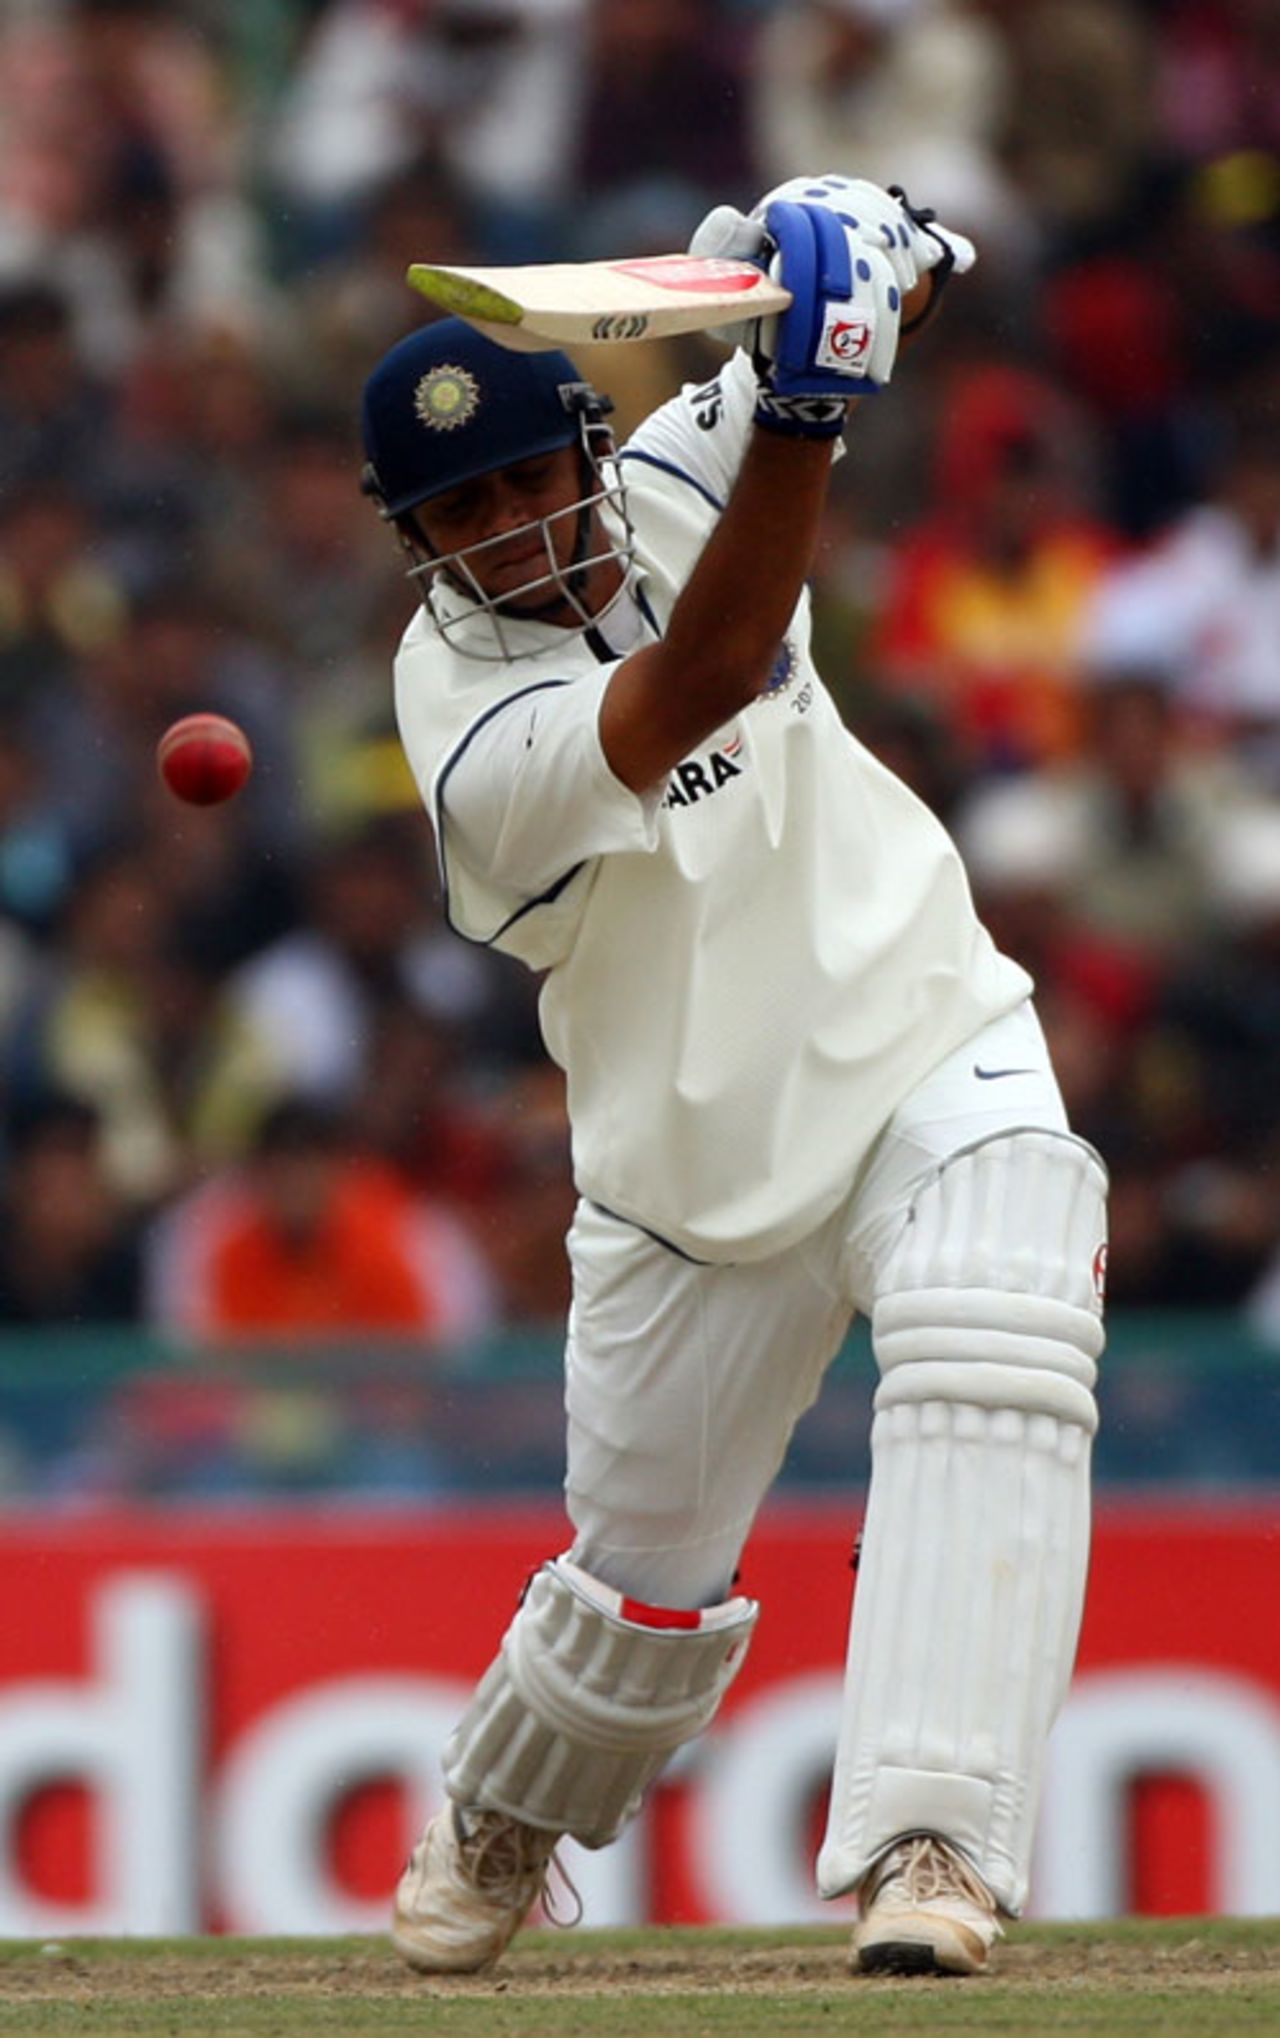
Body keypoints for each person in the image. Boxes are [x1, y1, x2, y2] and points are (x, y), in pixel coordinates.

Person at [360, 174, 1108, 1981]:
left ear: (586, 446)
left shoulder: (682, 468)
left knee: (1001, 1329)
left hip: (924, 1027)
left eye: (530, 480)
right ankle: (511, 1800)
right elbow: (701, 672)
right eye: (463, 513)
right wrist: (807, 403)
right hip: (689, 1176)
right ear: (419, 544)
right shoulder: (466, 727)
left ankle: (935, 1844)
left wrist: (857, 250)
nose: (514, 531)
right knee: (641, 1592)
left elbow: (889, 313)